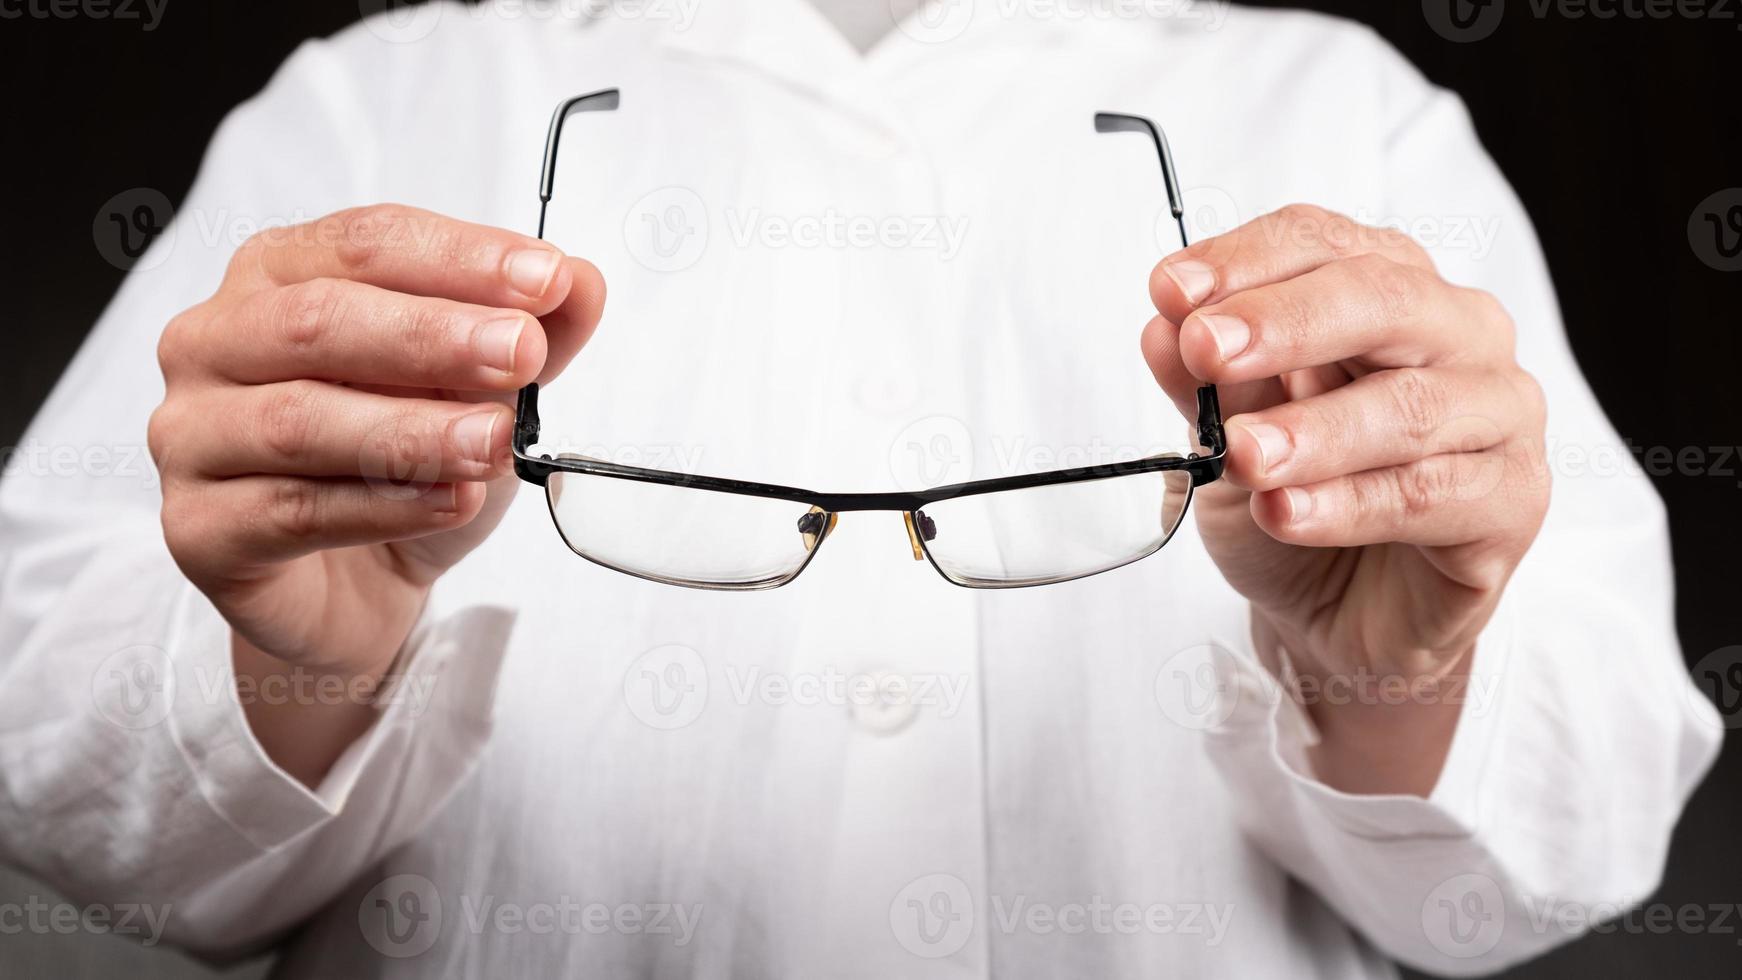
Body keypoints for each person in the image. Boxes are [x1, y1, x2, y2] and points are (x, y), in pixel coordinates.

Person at [0, 1, 1719, 976]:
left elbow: (1549, 858)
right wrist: (295, 665)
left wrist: (1395, 679)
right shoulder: (380, 105)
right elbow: (95, 835)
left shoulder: (1342, 112)